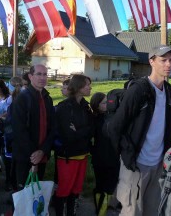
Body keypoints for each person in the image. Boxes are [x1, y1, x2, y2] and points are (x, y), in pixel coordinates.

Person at [106, 45, 171, 216]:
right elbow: (114, 127)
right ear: (151, 61)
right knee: (132, 211)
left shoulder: (167, 89)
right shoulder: (139, 90)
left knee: (152, 210)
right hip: (137, 165)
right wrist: (126, 155)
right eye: (163, 60)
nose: (168, 64)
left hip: (158, 163)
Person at [53, 74, 93, 216]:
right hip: (67, 156)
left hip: (83, 154)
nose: (90, 87)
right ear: (78, 87)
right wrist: (83, 132)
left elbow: (92, 129)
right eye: (87, 84)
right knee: (64, 190)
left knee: (76, 190)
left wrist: (79, 131)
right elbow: (68, 135)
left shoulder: (86, 107)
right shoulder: (64, 107)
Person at [11, 64, 56, 190]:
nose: (42, 77)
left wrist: (43, 151)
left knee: (36, 193)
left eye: (45, 74)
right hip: (26, 156)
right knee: (23, 195)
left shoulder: (48, 98)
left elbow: (52, 128)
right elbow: (19, 130)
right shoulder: (22, 98)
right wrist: (34, 156)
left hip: (42, 155)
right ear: (30, 76)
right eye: (39, 74)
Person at [90, 92, 120, 216]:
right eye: (103, 102)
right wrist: (93, 150)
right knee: (101, 185)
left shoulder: (114, 117)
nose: (107, 104)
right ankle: (100, 211)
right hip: (100, 158)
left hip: (113, 157)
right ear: (96, 105)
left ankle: (102, 209)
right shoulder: (94, 120)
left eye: (108, 101)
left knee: (110, 186)